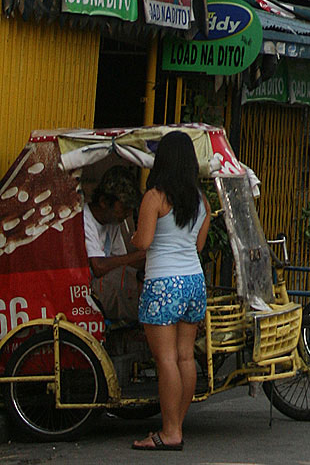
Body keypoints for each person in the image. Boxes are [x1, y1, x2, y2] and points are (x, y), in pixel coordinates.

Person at [131, 131, 210, 451]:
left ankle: (170, 432)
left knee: (164, 359)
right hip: (194, 281)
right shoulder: (201, 200)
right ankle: (176, 423)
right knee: (185, 357)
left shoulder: (155, 196)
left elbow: (143, 243)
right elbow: (199, 245)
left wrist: (137, 235)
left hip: (163, 283)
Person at [83, 166, 145, 320]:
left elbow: (120, 261)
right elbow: (98, 267)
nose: (128, 214)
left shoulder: (113, 223)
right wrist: (138, 256)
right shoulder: (84, 218)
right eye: (124, 208)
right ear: (104, 202)